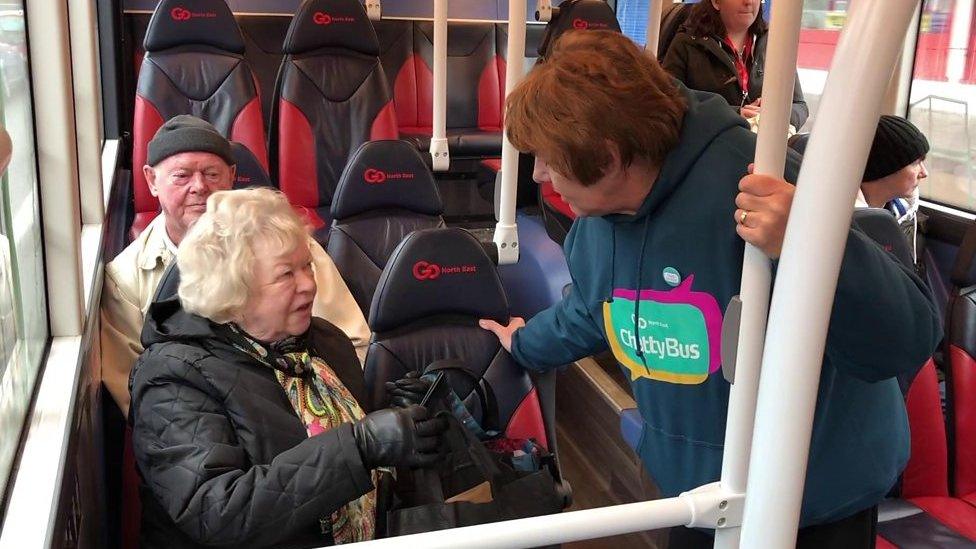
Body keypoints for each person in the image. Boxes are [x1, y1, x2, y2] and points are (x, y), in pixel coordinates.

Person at [479, 31, 941, 547]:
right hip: (695, 498)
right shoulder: (597, 227)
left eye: (547, 158)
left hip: (809, 503)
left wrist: (812, 243)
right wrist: (523, 342)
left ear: (607, 157)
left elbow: (903, 341)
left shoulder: (758, 182)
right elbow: (590, 312)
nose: (539, 175)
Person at [129, 187, 446, 548]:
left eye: (306, 265)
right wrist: (360, 446)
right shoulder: (172, 379)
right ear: (233, 289)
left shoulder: (327, 342)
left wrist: (402, 426)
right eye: (285, 275)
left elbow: (365, 472)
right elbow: (217, 512)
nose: (309, 285)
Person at [101, 115, 370, 416]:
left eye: (212, 174)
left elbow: (352, 341)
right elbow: (136, 396)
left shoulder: (291, 247)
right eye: (181, 176)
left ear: (231, 176)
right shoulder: (124, 279)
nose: (199, 187)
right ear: (151, 180)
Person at [662, 0, 809, 131]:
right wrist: (735, 114)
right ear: (716, 2)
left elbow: (800, 106)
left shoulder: (774, 42)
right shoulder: (687, 43)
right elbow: (669, 105)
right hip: (714, 149)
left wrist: (777, 114)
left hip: (765, 149)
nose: (749, 2)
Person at [858, 115, 929, 262]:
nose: (924, 173)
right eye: (916, 163)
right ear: (883, 168)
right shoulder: (847, 227)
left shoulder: (905, 213)